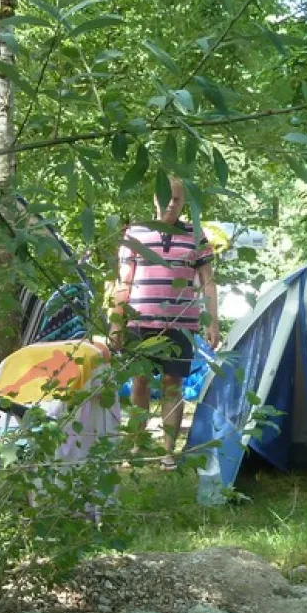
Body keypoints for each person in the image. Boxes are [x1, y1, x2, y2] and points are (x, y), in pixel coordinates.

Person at [110, 176, 218, 469]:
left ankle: (168, 451)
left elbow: (207, 282)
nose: (171, 204)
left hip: (181, 323)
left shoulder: (196, 234)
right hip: (140, 321)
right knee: (140, 381)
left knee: (173, 384)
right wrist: (117, 323)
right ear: (155, 198)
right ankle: (137, 445)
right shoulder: (135, 233)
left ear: (184, 202)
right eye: (165, 197)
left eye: (177, 199)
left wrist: (213, 322)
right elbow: (123, 281)